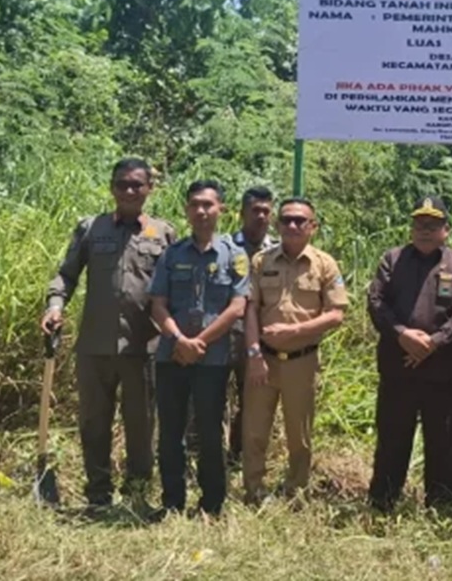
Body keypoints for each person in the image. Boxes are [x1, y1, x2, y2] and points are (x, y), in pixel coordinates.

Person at [41, 158, 176, 511]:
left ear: (150, 188)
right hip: (95, 346)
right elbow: (66, 276)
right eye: (122, 184)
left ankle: (137, 492)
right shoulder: (91, 228)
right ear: (112, 187)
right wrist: (55, 306)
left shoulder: (163, 234)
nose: (129, 191)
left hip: (143, 346)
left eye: (136, 184)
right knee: (94, 422)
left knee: (142, 424)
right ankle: (98, 493)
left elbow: (177, 287)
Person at [367, 196, 452, 512]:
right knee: (392, 440)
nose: (425, 230)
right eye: (419, 224)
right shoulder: (392, 259)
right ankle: (382, 504)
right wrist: (403, 334)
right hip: (397, 369)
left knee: (443, 444)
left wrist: (432, 343)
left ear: (446, 229)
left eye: (432, 225)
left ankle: (442, 507)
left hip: (442, 372)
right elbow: (376, 302)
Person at [148, 179, 249, 519]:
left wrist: (199, 342)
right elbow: (157, 305)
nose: (202, 211)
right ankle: (172, 502)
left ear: (221, 209)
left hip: (212, 359)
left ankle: (212, 504)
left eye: (208, 204)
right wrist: (180, 341)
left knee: (209, 432)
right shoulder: (171, 254)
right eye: (195, 204)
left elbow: (237, 307)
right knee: (170, 433)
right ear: (187, 210)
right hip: (171, 356)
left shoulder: (234, 256)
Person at [242, 197, 347, 503]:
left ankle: (295, 491)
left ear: (312, 227)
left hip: (302, 362)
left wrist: (294, 331)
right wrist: (253, 355)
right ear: (277, 224)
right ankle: (254, 491)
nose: (292, 225)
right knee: (254, 432)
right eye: (286, 220)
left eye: (300, 221)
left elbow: (336, 314)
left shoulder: (325, 264)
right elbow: (250, 310)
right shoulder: (262, 261)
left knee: (299, 435)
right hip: (263, 360)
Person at [223, 186, 276, 468]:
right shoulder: (226, 246)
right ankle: (202, 455)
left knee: (251, 398)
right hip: (225, 333)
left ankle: (238, 456)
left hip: (260, 338)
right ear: (242, 212)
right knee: (214, 396)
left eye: (266, 211)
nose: (260, 216)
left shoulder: (277, 250)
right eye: (255, 210)